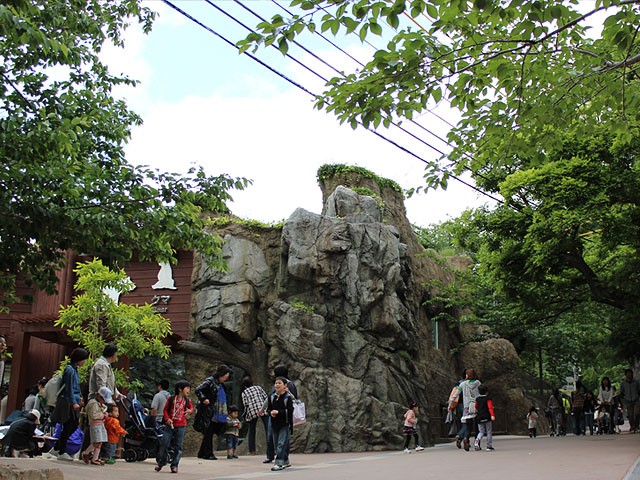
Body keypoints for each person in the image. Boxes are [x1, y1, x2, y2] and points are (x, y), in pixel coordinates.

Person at [50, 347, 89, 461]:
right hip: (68, 402)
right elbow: (70, 388)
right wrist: (74, 402)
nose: (84, 362)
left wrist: (79, 398)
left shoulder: (74, 369)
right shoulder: (70, 370)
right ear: (79, 359)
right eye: (83, 359)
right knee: (69, 425)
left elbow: (75, 388)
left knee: (71, 425)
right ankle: (61, 450)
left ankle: (58, 448)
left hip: (72, 400)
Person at [155, 380, 194, 474]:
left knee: (178, 446)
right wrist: (167, 419)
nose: (188, 390)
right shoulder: (171, 399)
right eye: (187, 388)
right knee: (164, 443)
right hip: (170, 425)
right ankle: (162, 462)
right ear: (180, 389)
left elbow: (191, 408)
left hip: (181, 425)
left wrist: (190, 411)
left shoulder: (187, 400)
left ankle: (174, 465)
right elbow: (165, 410)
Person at [195, 364, 231, 460]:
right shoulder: (210, 381)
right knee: (209, 431)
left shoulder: (220, 384)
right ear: (220, 374)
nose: (225, 378)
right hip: (209, 411)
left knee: (210, 431)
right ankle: (208, 453)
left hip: (217, 411)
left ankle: (202, 452)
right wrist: (204, 399)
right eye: (225, 376)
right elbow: (198, 389)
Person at [264, 364, 298, 465]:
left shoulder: (288, 385)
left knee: (281, 439)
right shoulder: (277, 387)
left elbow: (294, 400)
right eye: (276, 383)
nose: (277, 385)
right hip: (274, 415)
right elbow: (269, 399)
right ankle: (276, 457)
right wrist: (266, 410)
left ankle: (279, 459)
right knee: (274, 438)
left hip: (284, 416)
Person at [449, 368, 481, 451]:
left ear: (467, 375)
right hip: (477, 406)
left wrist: (450, 404)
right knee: (478, 425)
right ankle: (477, 443)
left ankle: (466, 438)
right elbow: (481, 393)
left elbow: (455, 395)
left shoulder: (462, 384)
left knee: (467, 425)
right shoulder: (478, 383)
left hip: (467, 407)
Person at [267, 377, 294, 471]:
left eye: (279, 383)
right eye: (276, 383)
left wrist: (279, 412)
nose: (277, 385)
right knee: (276, 444)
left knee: (281, 443)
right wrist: (271, 412)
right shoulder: (272, 397)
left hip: (285, 424)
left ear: (285, 385)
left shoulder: (287, 398)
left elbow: (290, 410)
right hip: (274, 424)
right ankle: (285, 460)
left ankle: (279, 463)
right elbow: (268, 409)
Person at [81, 386, 112, 466]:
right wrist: (103, 415)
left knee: (99, 442)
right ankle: (86, 453)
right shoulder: (93, 404)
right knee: (96, 441)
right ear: (98, 396)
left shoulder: (99, 404)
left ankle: (95, 458)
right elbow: (93, 415)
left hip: (100, 424)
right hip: (95, 425)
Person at [240, 375, 268, 456]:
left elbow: (245, 404)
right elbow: (265, 397)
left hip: (252, 411)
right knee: (268, 429)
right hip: (262, 408)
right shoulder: (258, 388)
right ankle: (271, 448)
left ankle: (252, 451)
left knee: (252, 430)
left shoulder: (244, 392)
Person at [474, 384, 495, 451]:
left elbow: (476, 407)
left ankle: (477, 440)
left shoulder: (477, 399)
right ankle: (489, 446)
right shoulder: (488, 399)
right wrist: (492, 415)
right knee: (489, 431)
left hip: (479, 416)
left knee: (481, 431)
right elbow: (490, 407)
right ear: (487, 391)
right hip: (487, 416)